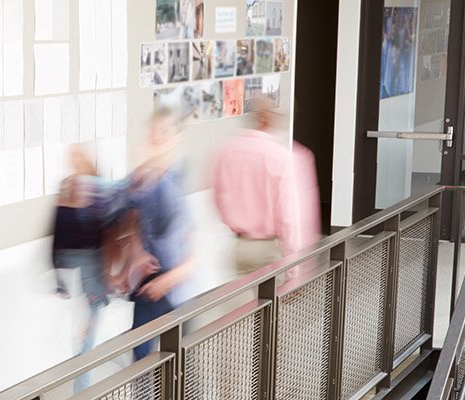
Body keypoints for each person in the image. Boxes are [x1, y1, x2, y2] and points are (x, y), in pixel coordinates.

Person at [209, 97, 321, 288]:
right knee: (269, 313)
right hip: (270, 248)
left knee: (240, 313)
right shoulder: (280, 156)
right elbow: (288, 217)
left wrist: (233, 222)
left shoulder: (226, 150)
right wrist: (294, 270)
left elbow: (219, 196)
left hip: (240, 246)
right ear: (266, 119)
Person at [123, 107, 196, 361]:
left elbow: (194, 254)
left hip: (174, 294)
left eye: (165, 132)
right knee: (141, 363)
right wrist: (137, 256)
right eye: (154, 132)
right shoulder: (139, 179)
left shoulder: (178, 181)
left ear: (178, 137)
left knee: (179, 370)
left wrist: (169, 280)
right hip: (147, 287)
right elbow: (131, 225)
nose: (158, 138)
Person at [50, 145, 118, 390]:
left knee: (89, 328)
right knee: (88, 326)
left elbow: (109, 230)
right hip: (77, 263)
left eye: (77, 156)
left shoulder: (99, 188)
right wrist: (56, 273)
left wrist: (108, 270)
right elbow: (57, 229)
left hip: (94, 263)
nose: (72, 161)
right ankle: (85, 381)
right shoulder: (68, 187)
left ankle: (83, 385)